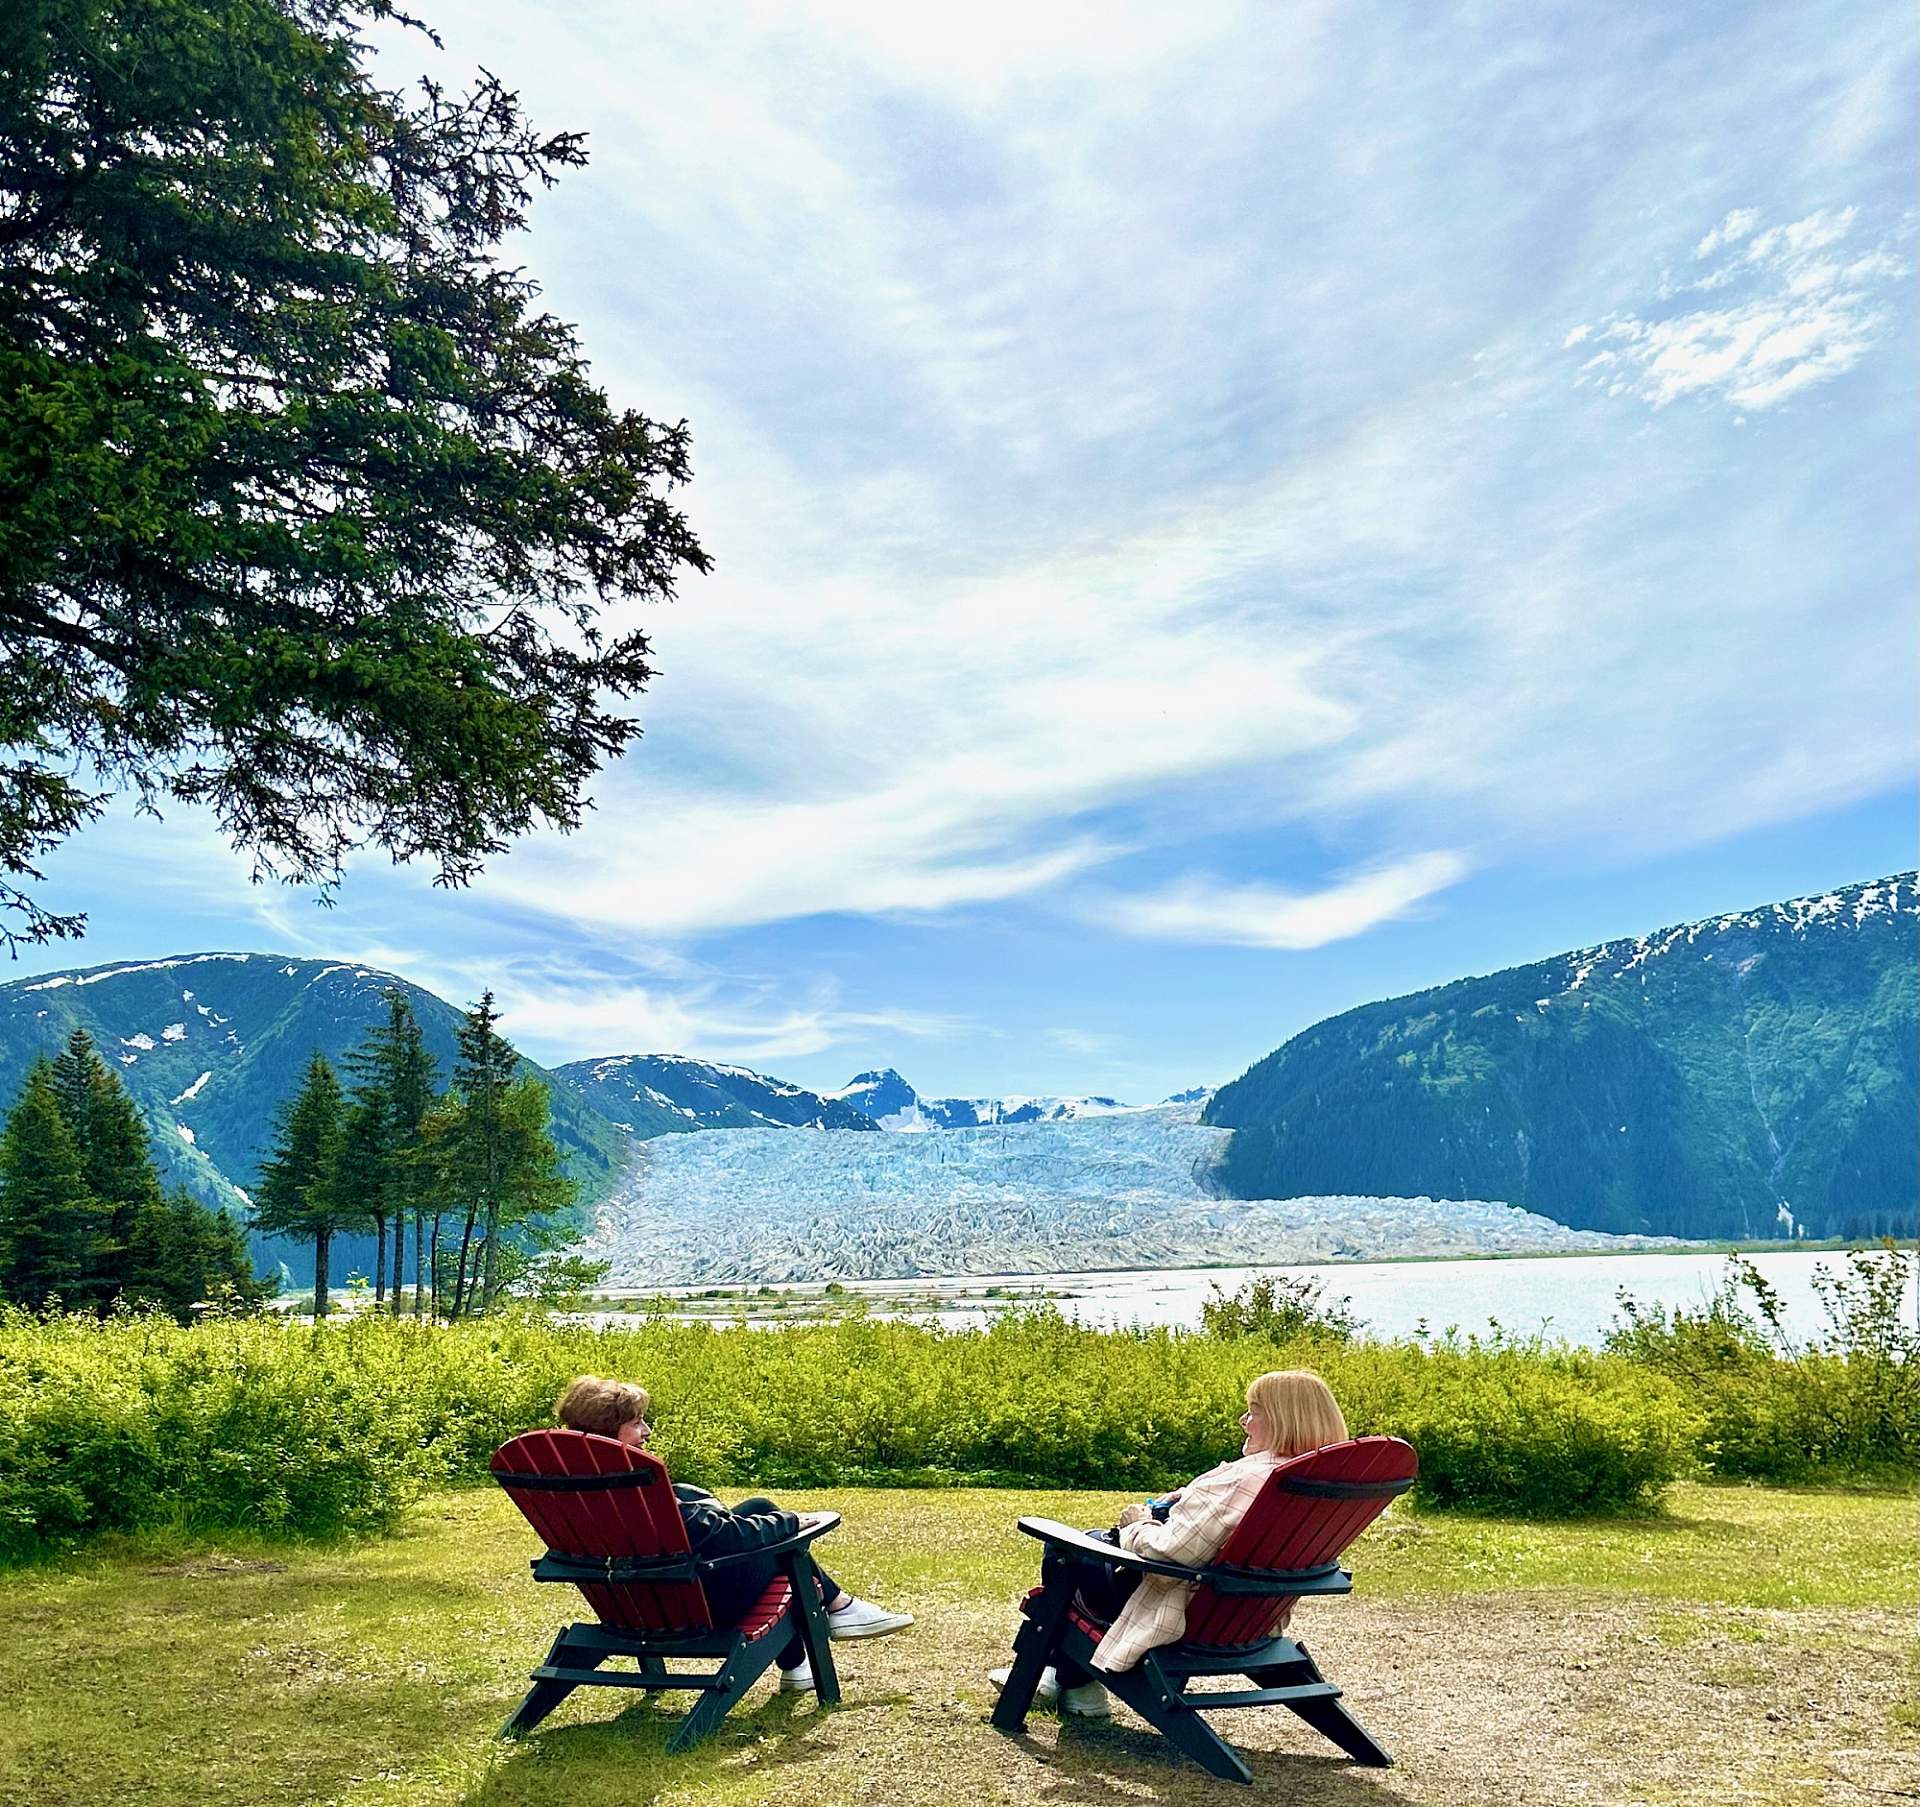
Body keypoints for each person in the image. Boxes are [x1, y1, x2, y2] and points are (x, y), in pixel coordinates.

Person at [989, 1369, 1349, 1718]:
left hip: (1187, 1612)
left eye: (1253, 1412)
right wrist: (1188, 1502)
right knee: (1090, 1551)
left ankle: (1067, 1680)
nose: (1244, 1421)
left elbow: (1169, 1551)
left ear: (1283, 1421)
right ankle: (1072, 1684)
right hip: (1249, 1616)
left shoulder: (1245, 1479)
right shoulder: (1320, 1485)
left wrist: (1138, 1524)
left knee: (1069, 1552)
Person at [554, 1376, 912, 1692]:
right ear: (606, 1431)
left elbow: (698, 1529)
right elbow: (726, 1537)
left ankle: (798, 1661)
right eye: (636, 1423)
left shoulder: (571, 1489)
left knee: (756, 1506)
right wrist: (789, 1523)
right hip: (691, 1607)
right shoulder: (638, 1491)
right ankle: (839, 1607)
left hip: (630, 1603)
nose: (646, 1431)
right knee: (781, 1547)